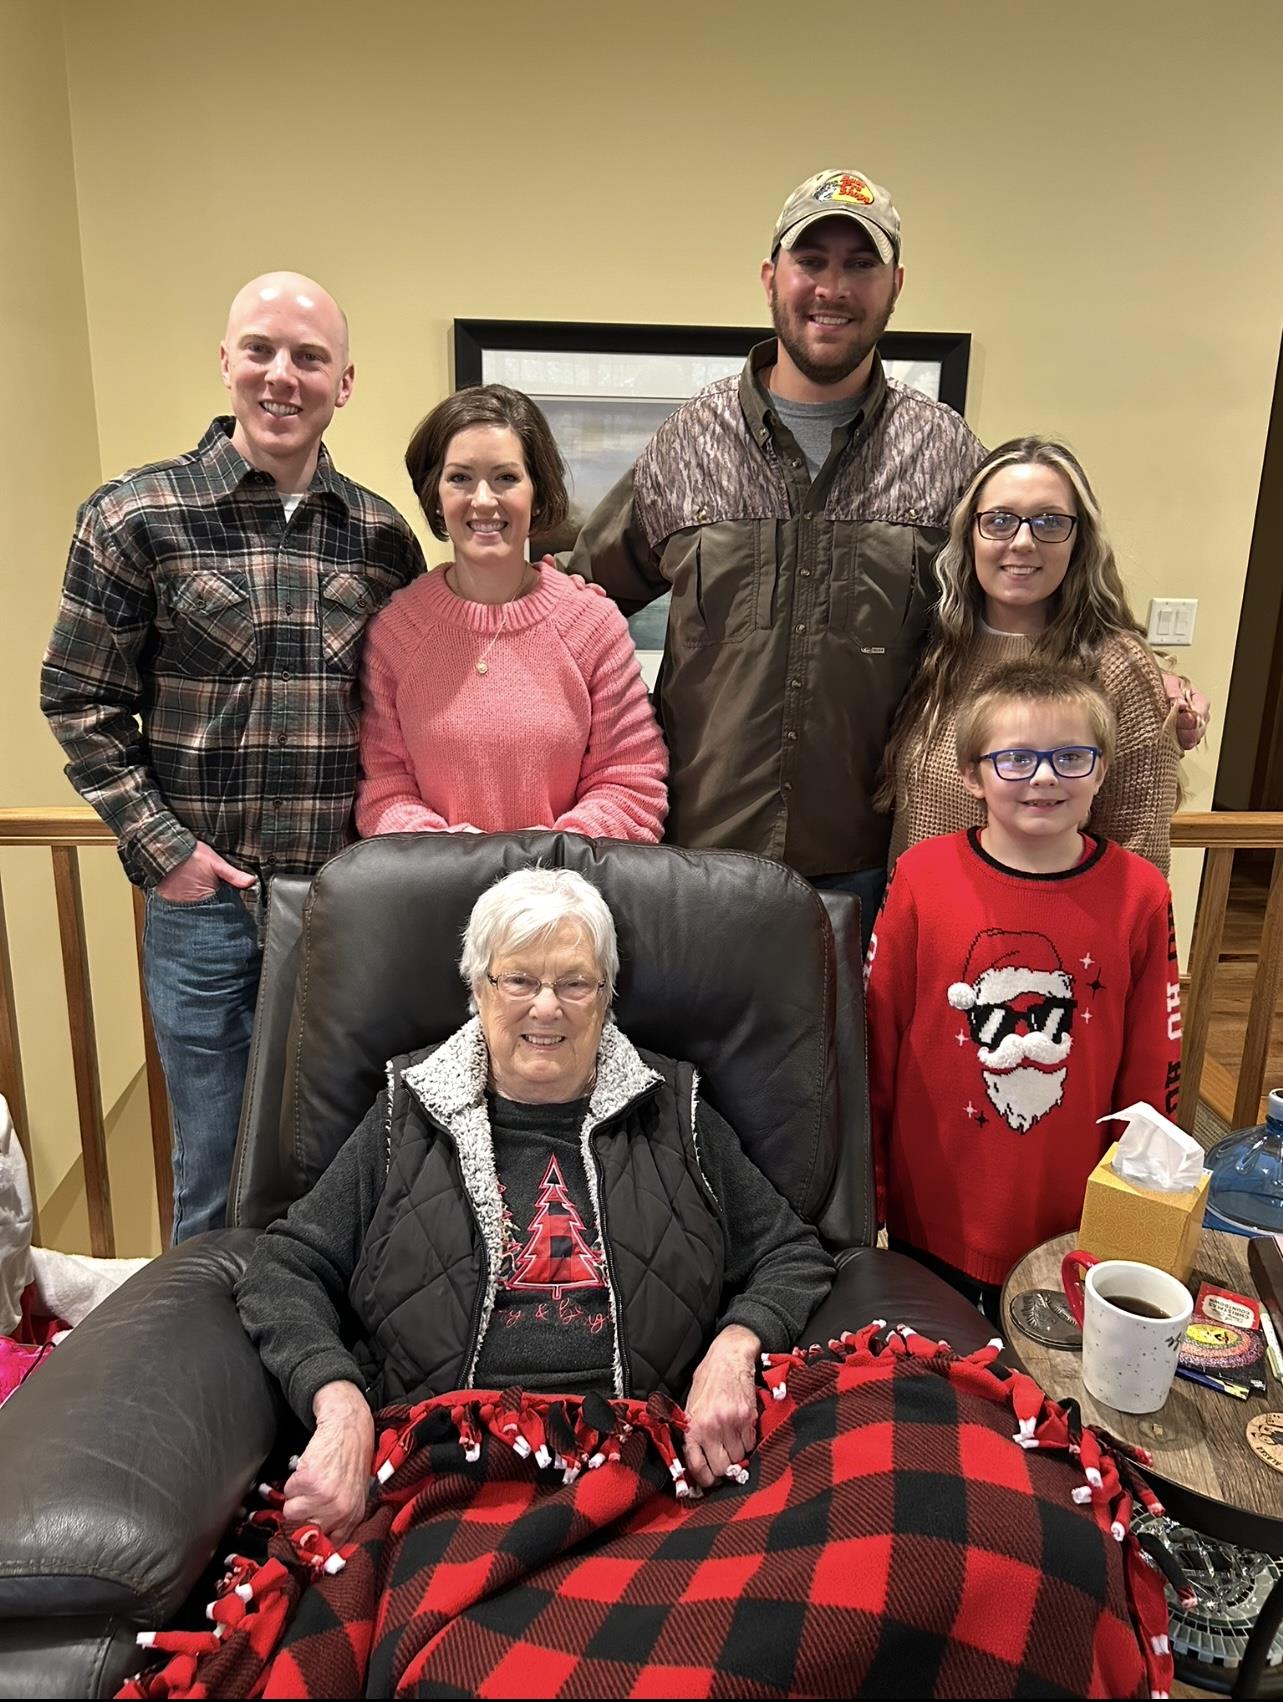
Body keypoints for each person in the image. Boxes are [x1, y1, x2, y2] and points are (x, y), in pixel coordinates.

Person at [235, 866, 834, 1534]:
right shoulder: (404, 1112)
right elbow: (284, 1267)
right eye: (517, 980)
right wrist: (339, 1402)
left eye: (574, 983)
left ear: (606, 996)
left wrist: (732, 1352)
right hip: (451, 1469)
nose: (545, 1007)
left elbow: (790, 1253)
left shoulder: (674, 1108)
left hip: (648, 1461)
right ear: (476, 990)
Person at [40, 273, 425, 1243]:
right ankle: (207, 1377)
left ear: (344, 382)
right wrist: (164, 849)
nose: (280, 376)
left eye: (308, 357)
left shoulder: (380, 538)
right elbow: (79, 697)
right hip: (205, 909)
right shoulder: (136, 516)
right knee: (212, 1169)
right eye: (259, 350)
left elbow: (403, 711)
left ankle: (320, 1372)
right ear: (225, 363)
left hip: (340, 909)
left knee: (344, 1157)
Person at [564, 168, 987, 932]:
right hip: (696, 853)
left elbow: (1023, 604)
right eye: (811, 261)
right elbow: (572, 607)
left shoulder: (945, 456)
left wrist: (1138, 673)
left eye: (859, 265)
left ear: (894, 285)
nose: (832, 287)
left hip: (873, 867)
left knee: (850, 1057)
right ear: (771, 278)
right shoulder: (688, 445)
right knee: (698, 1055)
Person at [866, 661, 1182, 1314]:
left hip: (1069, 1225)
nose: (1042, 777)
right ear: (971, 776)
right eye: (1013, 759)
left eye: (1069, 757)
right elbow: (874, 1042)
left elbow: (1154, 1069)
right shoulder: (921, 878)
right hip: (928, 1217)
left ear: (1099, 771)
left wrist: (1135, 1210)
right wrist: (864, 1194)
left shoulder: (1140, 897)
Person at [356, 387, 666, 841]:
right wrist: (460, 861)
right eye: (460, 478)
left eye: (505, 477)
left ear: (537, 493)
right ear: (435, 495)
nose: (483, 500)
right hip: (434, 898)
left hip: (565, 900)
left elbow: (631, 782)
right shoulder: (396, 633)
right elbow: (383, 790)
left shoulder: (592, 625)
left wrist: (540, 870)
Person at [882, 437, 1190, 876]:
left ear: (1077, 539)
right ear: (970, 533)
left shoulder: (1117, 667)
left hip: (1045, 938)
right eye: (1000, 520)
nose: (1024, 541)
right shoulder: (936, 646)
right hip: (919, 925)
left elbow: (1138, 857)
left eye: (1049, 521)